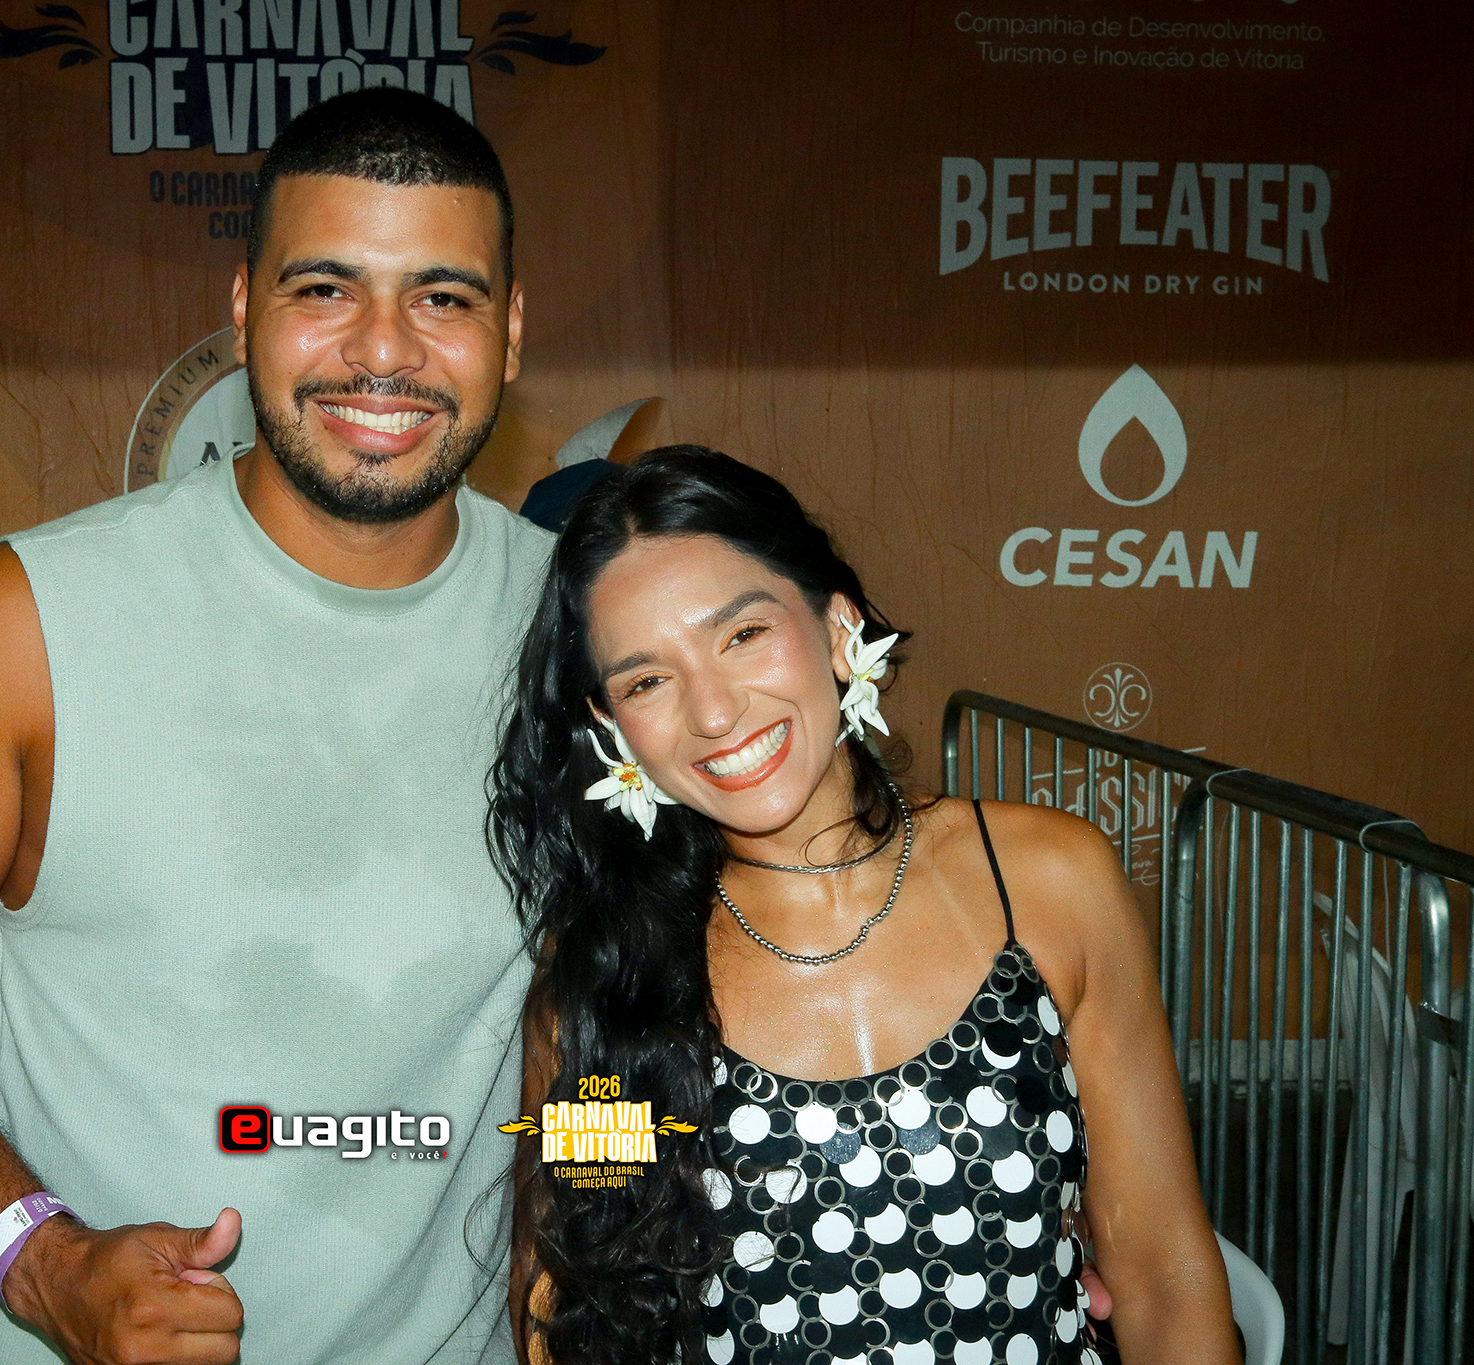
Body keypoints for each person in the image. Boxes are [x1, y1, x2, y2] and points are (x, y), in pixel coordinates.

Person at [0, 88, 552, 1365]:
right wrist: (40, 1259)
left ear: (510, 332)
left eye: (442, 297)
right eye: (324, 289)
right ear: (244, 307)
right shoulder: (17, 626)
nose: (383, 351)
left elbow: (571, 1050)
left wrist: (581, 1254)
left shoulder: (587, 639)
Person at [489, 448, 1238, 1365]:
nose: (714, 711)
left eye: (743, 633)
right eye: (647, 680)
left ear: (836, 624)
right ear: (612, 726)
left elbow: (1163, 1268)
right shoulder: (610, 970)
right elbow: (565, 1304)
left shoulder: (1049, 880)